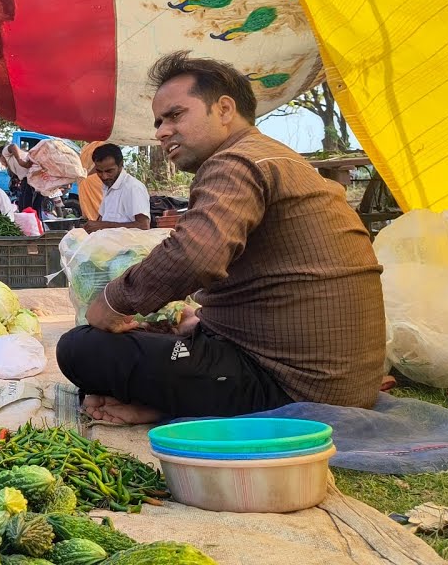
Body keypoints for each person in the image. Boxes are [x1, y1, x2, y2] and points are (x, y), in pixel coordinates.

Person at [56, 51, 386, 425]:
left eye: (175, 115)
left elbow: (194, 255)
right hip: (337, 382)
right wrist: (201, 321)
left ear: (225, 109)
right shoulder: (272, 158)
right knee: (165, 334)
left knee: (80, 348)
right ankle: (173, 401)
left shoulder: (236, 162)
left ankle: (186, 403)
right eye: (159, 121)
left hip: (295, 391)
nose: (161, 131)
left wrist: (113, 301)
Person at [83, 143, 151, 232]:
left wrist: (103, 226)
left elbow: (143, 226)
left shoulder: (133, 187)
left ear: (120, 165)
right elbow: (102, 219)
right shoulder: (108, 186)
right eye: (99, 171)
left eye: (109, 171)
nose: (104, 176)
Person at [0, 142, 43, 215]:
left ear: (0, 156)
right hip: (35, 180)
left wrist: (20, 161)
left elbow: (13, 146)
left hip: (30, 180)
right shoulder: (12, 162)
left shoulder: (5, 152)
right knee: (33, 208)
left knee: (25, 208)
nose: (1, 163)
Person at [77, 141, 106, 220]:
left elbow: (102, 165)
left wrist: (86, 176)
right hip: (85, 181)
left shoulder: (102, 144)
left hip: (95, 181)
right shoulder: (86, 146)